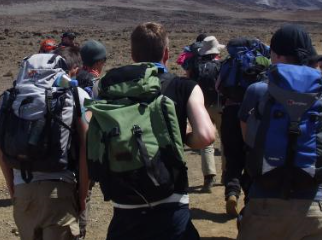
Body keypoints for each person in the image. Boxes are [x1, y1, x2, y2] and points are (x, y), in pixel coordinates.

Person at [237, 25, 322, 240]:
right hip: (310, 206)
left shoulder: (256, 92)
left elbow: (249, 142)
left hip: (262, 204)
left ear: (276, 55)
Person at [103, 22, 215, 240]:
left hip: (124, 200)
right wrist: (181, 137)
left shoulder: (108, 86)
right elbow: (206, 136)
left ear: (133, 55)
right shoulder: (185, 87)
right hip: (170, 200)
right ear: (166, 53)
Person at [0, 47, 89, 240]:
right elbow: (86, 148)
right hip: (60, 188)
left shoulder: (12, 97)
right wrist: (82, 194)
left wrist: (12, 187)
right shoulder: (76, 94)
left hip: (24, 190)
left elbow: (0, 146)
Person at [216, 38, 271, 216]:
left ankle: (232, 193)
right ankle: (250, 200)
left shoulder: (228, 63)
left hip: (231, 111)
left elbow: (218, 87)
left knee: (232, 156)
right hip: (254, 114)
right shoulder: (260, 60)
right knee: (251, 156)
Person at [186, 36, 226, 192]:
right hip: (221, 106)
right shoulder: (221, 66)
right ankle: (226, 174)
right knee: (225, 140)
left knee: (206, 142)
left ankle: (209, 177)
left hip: (203, 107)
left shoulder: (195, 67)